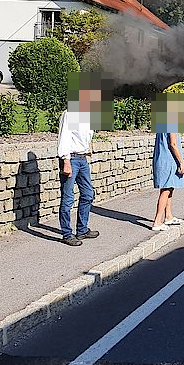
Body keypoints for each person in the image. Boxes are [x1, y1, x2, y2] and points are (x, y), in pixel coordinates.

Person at [57, 77, 108, 246]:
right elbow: (64, 137)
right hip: (70, 158)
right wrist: (66, 161)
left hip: (83, 159)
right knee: (68, 198)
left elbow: (85, 137)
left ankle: (82, 229)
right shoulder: (70, 113)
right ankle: (66, 233)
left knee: (87, 194)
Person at [151, 132, 184, 230]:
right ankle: (157, 221)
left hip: (162, 159)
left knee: (170, 188)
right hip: (169, 160)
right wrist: (181, 163)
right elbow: (173, 144)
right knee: (166, 190)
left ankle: (168, 216)